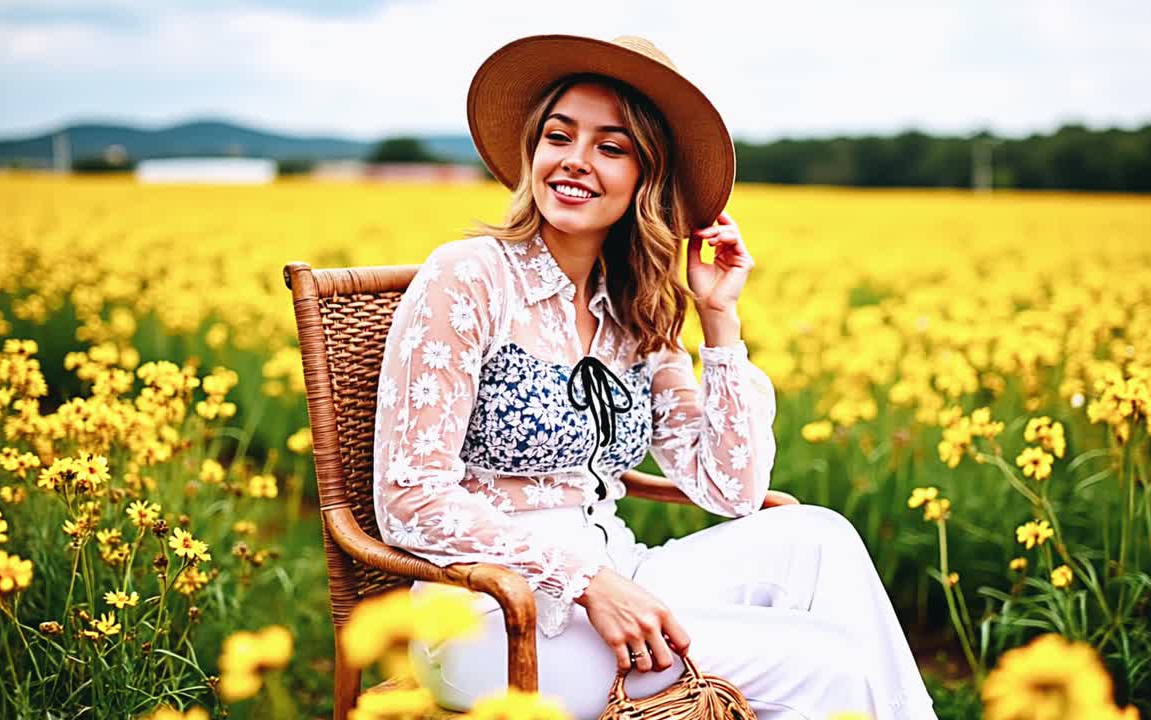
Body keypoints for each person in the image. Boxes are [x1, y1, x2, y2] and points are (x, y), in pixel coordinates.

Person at [371, 33, 937, 720]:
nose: (575, 162)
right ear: (532, 151)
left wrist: (718, 316)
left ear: (648, 177)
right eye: (559, 136)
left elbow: (729, 491)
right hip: (489, 613)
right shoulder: (469, 277)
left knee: (820, 537)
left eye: (611, 147)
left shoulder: (635, 305)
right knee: (827, 663)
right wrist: (586, 581)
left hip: (619, 567)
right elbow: (409, 499)